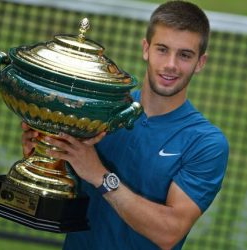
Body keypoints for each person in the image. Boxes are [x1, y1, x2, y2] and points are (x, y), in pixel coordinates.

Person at [22, 1, 229, 249]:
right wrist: (45, 160)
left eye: (184, 55)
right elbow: (66, 204)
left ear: (200, 63)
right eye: (162, 49)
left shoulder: (205, 143)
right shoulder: (99, 112)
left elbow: (169, 232)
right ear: (146, 49)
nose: (171, 64)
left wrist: (100, 175)